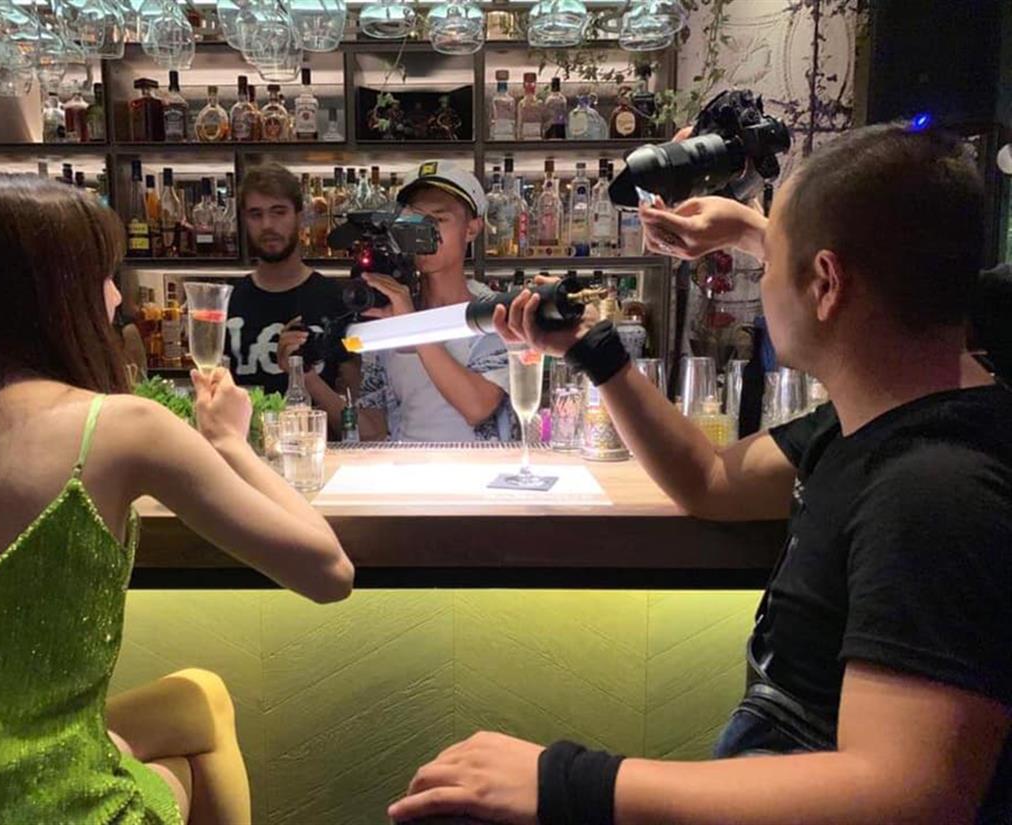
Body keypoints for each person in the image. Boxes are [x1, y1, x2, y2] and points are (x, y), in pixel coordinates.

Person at [388, 125, 1012, 824]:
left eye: (767, 263)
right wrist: (590, 350)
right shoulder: (864, 429)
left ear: (826, 283)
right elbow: (709, 479)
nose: (761, 277)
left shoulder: (935, 489)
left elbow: (907, 794)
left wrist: (564, 781)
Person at [0, 174, 354, 824]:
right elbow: (328, 572)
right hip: (47, 804)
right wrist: (229, 444)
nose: (118, 297)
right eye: (103, 275)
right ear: (53, 293)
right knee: (189, 759)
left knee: (200, 697)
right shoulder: (117, 426)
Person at [299, 160, 514, 442]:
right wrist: (306, 376)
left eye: (438, 220)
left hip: (478, 467)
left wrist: (412, 325)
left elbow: (477, 407)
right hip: (403, 464)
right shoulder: (391, 310)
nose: (423, 231)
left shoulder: (494, 313)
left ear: (472, 228)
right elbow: (373, 428)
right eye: (414, 220)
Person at [226, 162, 359, 402]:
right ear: (244, 221)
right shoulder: (228, 302)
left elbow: (357, 415)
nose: (267, 225)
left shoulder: (337, 301)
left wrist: (303, 373)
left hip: (321, 428)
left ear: (300, 216)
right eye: (256, 214)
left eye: (278, 212)